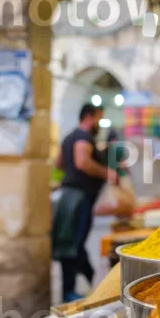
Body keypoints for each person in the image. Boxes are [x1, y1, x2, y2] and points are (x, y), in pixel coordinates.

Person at [52, 104, 118, 302]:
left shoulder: (68, 137)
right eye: (99, 118)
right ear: (89, 117)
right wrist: (106, 172)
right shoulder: (83, 137)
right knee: (74, 244)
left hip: (67, 195)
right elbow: (82, 162)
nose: (100, 123)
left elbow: (59, 163)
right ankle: (78, 287)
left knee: (70, 243)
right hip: (78, 199)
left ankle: (81, 286)